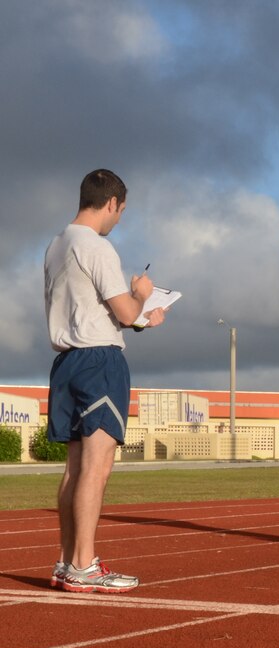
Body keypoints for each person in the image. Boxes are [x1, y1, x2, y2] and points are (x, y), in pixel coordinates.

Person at [43, 169, 168, 593]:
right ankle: (84, 565)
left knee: (74, 468)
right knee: (97, 468)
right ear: (111, 202)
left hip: (67, 362)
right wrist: (142, 293)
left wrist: (140, 323)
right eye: (122, 210)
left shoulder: (56, 245)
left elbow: (99, 314)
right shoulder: (97, 246)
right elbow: (125, 311)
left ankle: (65, 562)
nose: (119, 219)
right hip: (100, 364)